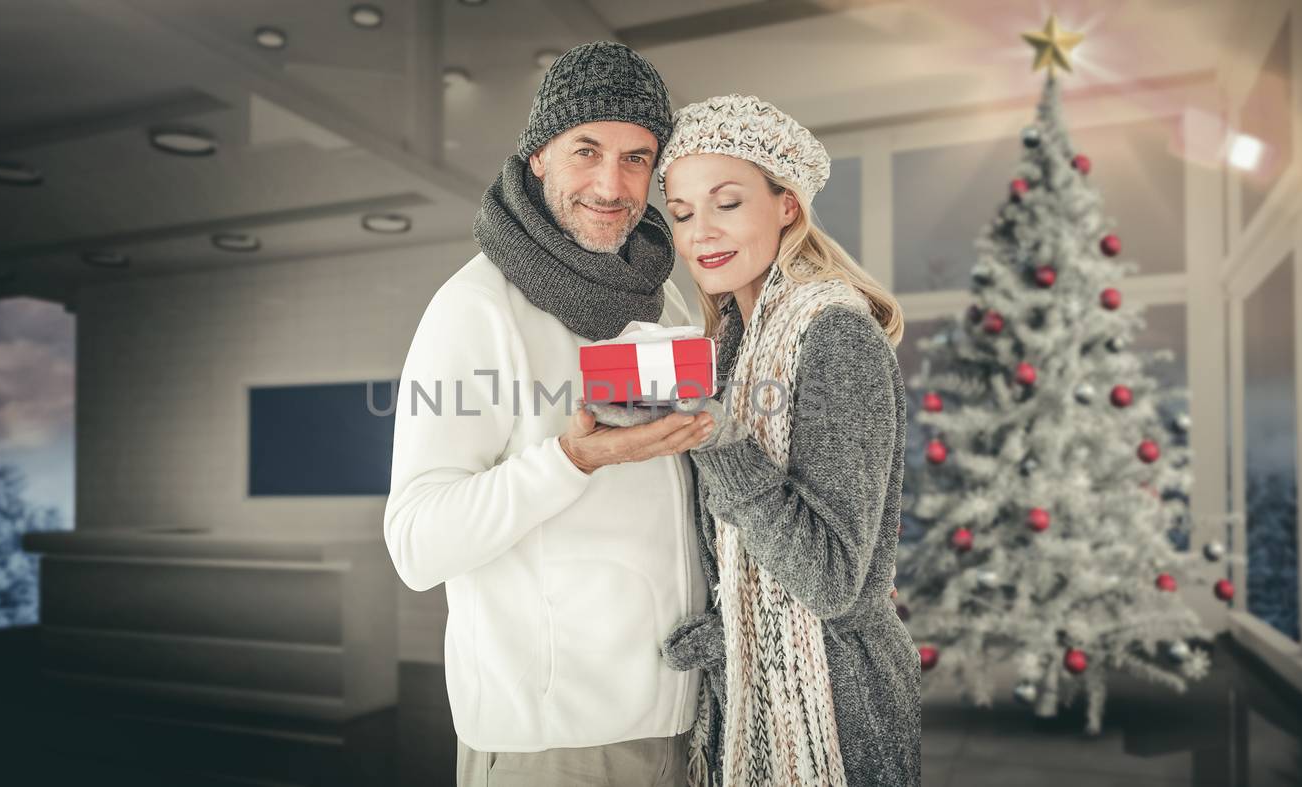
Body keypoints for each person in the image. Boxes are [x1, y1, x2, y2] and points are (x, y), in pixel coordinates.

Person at [382, 42, 717, 787]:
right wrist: (572, 460)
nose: (611, 182)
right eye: (586, 150)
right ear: (538, 155)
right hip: (555, 742)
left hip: (677, 717)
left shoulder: (661, 300)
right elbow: (415, 542)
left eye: (637, 157)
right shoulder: (475, 307)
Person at [654, 94, 922, 786]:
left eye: (727, 202)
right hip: (754, 695)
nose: (700, 233)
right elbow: (754, 551)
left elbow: (834, 580)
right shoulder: (733, 348)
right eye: (681, 212)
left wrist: (716, 436)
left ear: (787, 206)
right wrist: (732, 634)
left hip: (840, 714)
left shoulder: (834, 336)